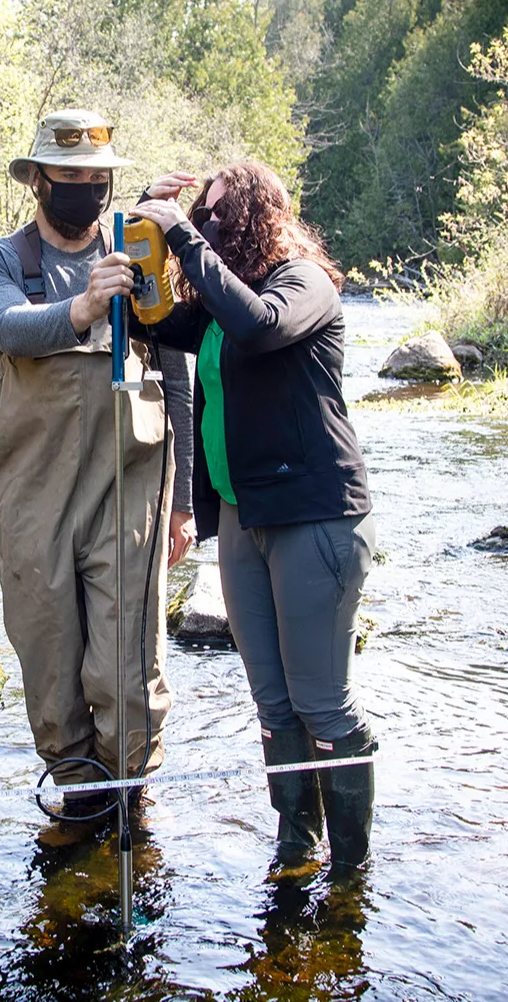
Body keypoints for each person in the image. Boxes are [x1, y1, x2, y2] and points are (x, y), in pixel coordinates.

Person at [130, 160, 380, 874]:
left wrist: (183, 237)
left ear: (252, 217)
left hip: (314, 515)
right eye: (199, 214)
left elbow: (261, 327)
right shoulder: (217, 306)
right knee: (273, 702)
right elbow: (154, 316)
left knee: (321, 703)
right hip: (243, 520)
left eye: (216, 214)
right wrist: (147, 217)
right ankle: (297, 847)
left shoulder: (302, 282)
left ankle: (351, 871)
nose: (206, 224)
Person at [0, 110, 195, 821]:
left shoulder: (139, 251)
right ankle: (76, 796)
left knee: (127, 667)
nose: (86, 192)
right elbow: (7, 326)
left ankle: (133, 806)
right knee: (50, 661)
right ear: (36, 180)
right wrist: (89, 303)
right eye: (70, 179)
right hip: (35, 496)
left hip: (132, 486)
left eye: (99, 181)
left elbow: (177, 375)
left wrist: (183, 502)